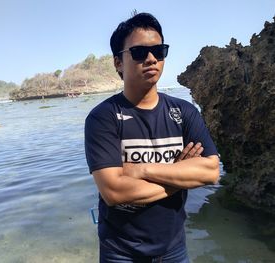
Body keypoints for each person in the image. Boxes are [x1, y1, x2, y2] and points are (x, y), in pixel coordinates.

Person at [84, 12, 220, 263]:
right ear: (118, 63)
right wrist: (182, 174)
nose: (151, 59)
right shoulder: (103, 117)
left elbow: (211, 172)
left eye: (159, 51)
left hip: (174, 248)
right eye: (138, 52)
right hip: (121, 252)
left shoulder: (184, 112)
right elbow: (114, 191)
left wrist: (141, 169)